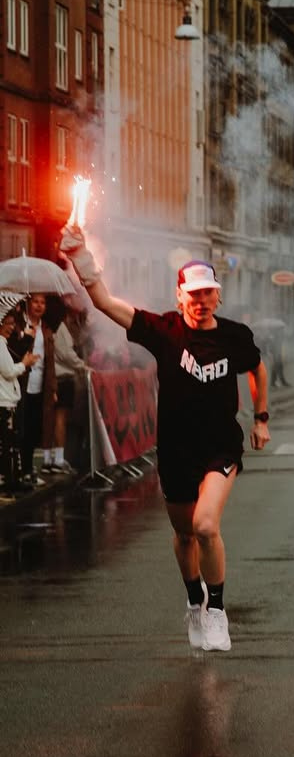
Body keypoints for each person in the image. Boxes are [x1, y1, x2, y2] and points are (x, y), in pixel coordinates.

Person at [59, 227, 270, 652]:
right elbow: (104, 302)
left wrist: (261, 417)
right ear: (179, 297)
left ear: (218, 296)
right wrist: (82, 258)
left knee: (206, 525)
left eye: (208, 293)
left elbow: (257, 370)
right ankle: (194, 600)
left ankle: (216, 611)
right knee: (184, 535)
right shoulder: (164, 330)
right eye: (192, 294)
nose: (201, 301)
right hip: (175, 449)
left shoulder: (234, 336)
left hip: (219, 446)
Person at [43, 303, 87, 474]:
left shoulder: (49, 327)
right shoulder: (59, 326)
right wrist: (82, 365)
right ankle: (58, 459)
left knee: (52, 418)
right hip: (62, 377)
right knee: (59, 417)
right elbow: (66, 353)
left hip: (55, 376)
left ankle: (51, 458)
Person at [0, 294, 36, 496]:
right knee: (7, 444)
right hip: (3, 401)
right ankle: (8, 480)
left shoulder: (3, 345)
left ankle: (12, 478)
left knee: (10, 444)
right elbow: (8, 371)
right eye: (8, 323)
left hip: (7, 399)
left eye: (13, 323)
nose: (11, 327)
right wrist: (25, 364)